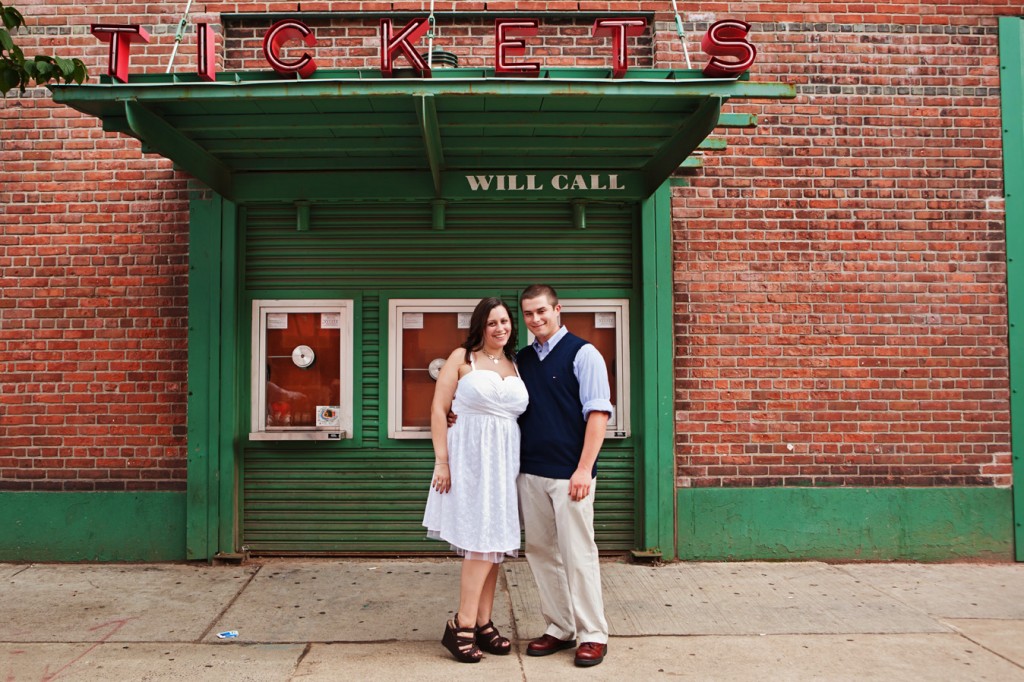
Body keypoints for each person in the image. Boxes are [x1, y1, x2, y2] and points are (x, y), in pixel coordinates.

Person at [421, 296, 529, 663]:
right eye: (492, 322)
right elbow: (439, 408)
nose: (500, 328)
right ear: (480, 326)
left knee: (495, 544)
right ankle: (461, 624)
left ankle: (483, 623)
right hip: (470, 460)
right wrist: (442, 461)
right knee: (480, 541)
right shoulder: (461, 358)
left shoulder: (517, 364)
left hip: (505, 462)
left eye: (505, 321)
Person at [516, 283, 613, 668]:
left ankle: (593, 634)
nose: (535, 319)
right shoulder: (522, 359)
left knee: (578, 554)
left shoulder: (583, 353)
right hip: (530, 472)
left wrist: (584, 469)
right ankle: (559, 627)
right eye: (528, 313)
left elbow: (598, 415)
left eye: (542, 311)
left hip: (571, 473)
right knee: (540, 552)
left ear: (558, 310)